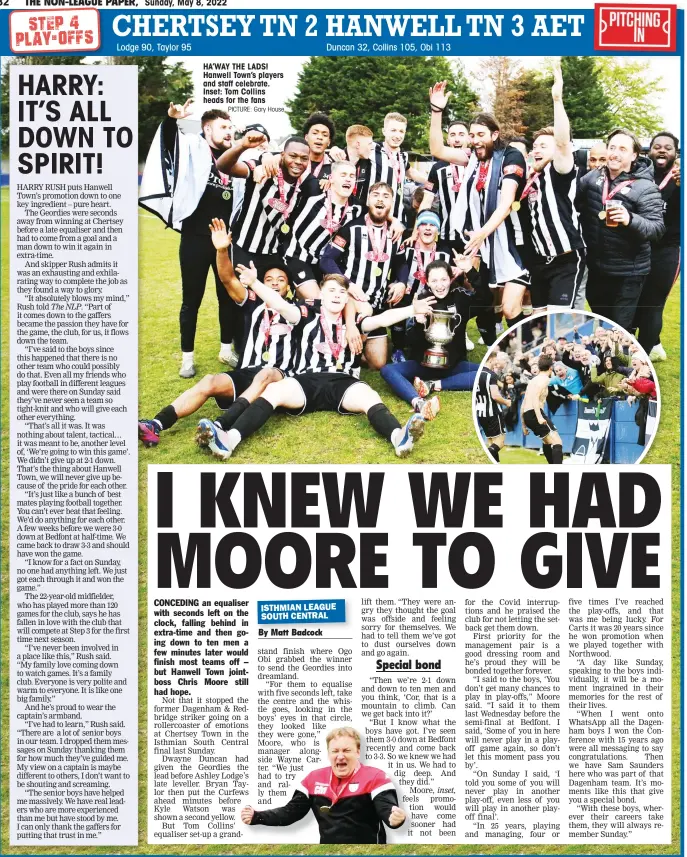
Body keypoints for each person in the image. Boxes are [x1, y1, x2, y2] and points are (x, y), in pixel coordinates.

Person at [197, 271, 436, 459]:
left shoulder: (353, 322)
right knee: (274, 391)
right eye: (331, 290)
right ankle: (229, 440)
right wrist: (256, 283)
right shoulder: (305, 314)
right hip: (306, 381)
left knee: (368, 394)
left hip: (342, 383)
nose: (336, 295)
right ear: (321, 294)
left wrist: (412, 309)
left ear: (346, 298)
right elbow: (281, 305)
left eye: (341, 292)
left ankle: (398, 437)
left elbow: (381, 319)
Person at [138, 219, 295, 447]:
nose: (274, 284)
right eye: (268, 280)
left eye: (280, 280)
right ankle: (156, 424)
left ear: (288, 287)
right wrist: (221, 251)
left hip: (278, 377)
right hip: (247, 372)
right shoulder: (252, 301)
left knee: (266, 374)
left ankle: (220, 425)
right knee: (211, 381)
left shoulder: (298, 310)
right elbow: (227, 279)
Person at [139, 99, 240, 378]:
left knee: (227, 297)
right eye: (223, 127)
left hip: (226, 242)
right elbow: (170, 146)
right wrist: (173, 120)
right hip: (195, 238)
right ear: (207, 130)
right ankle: (187, 357)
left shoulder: (235, 157)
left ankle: (226, 349)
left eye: (231, 127)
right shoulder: (193, 147)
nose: (229, 132)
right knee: (191, 300)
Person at [428, 83, 530, 339]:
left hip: (513, 245)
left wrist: (481, 234)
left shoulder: (511, 158)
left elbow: (506, 203)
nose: (474, 141)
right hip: (485, 246)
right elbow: (437, 150)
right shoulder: (473, 158)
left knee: (509, 308)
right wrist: (436, 112)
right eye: (472, 135)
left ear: (495, 135)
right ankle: (513, 353)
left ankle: (529, 351)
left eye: (480, 134)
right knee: (488, 300)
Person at [240, 726, 406, 845]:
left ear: (358, 752)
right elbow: (289, 813)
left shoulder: (376, 777)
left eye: (346, 750)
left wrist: (395, 819)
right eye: (335, 751)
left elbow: (388, 809)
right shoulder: (313, 779)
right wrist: (257, 817)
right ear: (328, 753)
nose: (340, 756)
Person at [575, 128, 665, 329]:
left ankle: (623, 359)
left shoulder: (645, 187)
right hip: (597, 269)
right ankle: (607, 360)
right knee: (602, 325)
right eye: (612, 147)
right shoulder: (591, 178)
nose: (615, 153)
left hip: (629, 273)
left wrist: (630, 219)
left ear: (634, 155)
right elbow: (574, 207)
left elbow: (657, 229)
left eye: (622, 149)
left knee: (619, 329)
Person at [320, 182, 408, 369]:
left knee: (378, 363)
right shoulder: (351, 228)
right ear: (368, 200)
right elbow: (327, 260)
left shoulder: (396, 233)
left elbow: (402, 263)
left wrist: (401, 283)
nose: (380, 199)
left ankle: (351, 348)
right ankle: (345, 340)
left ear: (391, 203)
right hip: (353, 303)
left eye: (386, 196)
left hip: (377, 305)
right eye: (376, 194)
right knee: (362, 313)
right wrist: (348, 285)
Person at [382, 256, 481, 419]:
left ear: (451, 279)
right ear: (427, 282)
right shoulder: (422, 300)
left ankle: (432, 385)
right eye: (434, 281)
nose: (440, 285)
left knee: (487, 374)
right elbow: (410, 342)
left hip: (453, 365)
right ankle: (418, 402)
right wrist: (419, 323)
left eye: (444, 279)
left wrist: (470, 271)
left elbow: (486, 298)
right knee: (387, 370)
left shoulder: (461, 296)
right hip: (423, 365)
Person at [523, 60, 586, 313]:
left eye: (543, 146)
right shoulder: (530, 178)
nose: (537, 149)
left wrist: (557, 100)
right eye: (535, 146)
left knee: (558, 324)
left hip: (566, 259)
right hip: (540, 261)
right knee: (537, 321)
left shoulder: (559, 171)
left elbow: (561, 144)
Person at [217, 132, 321, 273]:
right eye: (293, 156)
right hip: (244, 247)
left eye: (304, 158)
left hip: (273, 252)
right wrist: (242, 146)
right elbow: (223, 166)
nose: (298, 162)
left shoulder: (305, 183)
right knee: (243, 294)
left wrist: (328, 182)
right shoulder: (263, 168)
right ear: (282, 155)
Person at [282, 161, 362, 298]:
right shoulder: (314, 191)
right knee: (319, 301)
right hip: (297, 257)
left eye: (352, 176)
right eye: (343, 175)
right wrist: (266, 156)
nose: (348, 178)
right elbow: (291, 164)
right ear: (331, 178)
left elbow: (376, 210)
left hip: (324, 264)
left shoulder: (357, 209)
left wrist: (394, 221)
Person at [633, 131, 681, 359]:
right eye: (657, 146)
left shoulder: (681, 178)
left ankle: (643, 355)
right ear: (648, 151)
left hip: (667, 250)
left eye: (668, 147)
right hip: (639, 248)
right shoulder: (640, 175)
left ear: (675, 153)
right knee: (635, 299)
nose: (662, 150)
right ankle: (655, 343)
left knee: (653, 303)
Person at [390, 210, 453, 361]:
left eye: (432, 225)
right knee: (397, 297)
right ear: (417, 228)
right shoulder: (406, 247)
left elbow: (450, 282)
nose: (428, 228)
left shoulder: (445, 253)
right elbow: (395, 271)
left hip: (432, 299)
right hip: (407, 295)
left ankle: (434, 341)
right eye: (423, 224)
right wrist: (396, 284)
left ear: (437, 229)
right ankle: (398, 348)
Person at [521, 355, 564, 464]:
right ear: (551, 368)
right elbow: (535, 397)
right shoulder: (545, 379)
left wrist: (523, 424)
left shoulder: (532, 381)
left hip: (528, 415)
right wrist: (539, 417)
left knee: (547, 442)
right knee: (557, 442)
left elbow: (524, 403)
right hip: (535, 414)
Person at [475, 350, 512, 463]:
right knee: (500, 441)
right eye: (495, 359)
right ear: (490, 358)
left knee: (491, 441)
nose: (496, 362)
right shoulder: (491, 375)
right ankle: (483, 459)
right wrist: (506, 402)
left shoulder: (477, 373)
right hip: (492, 412)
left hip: (480, 412)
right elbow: (495, 396)